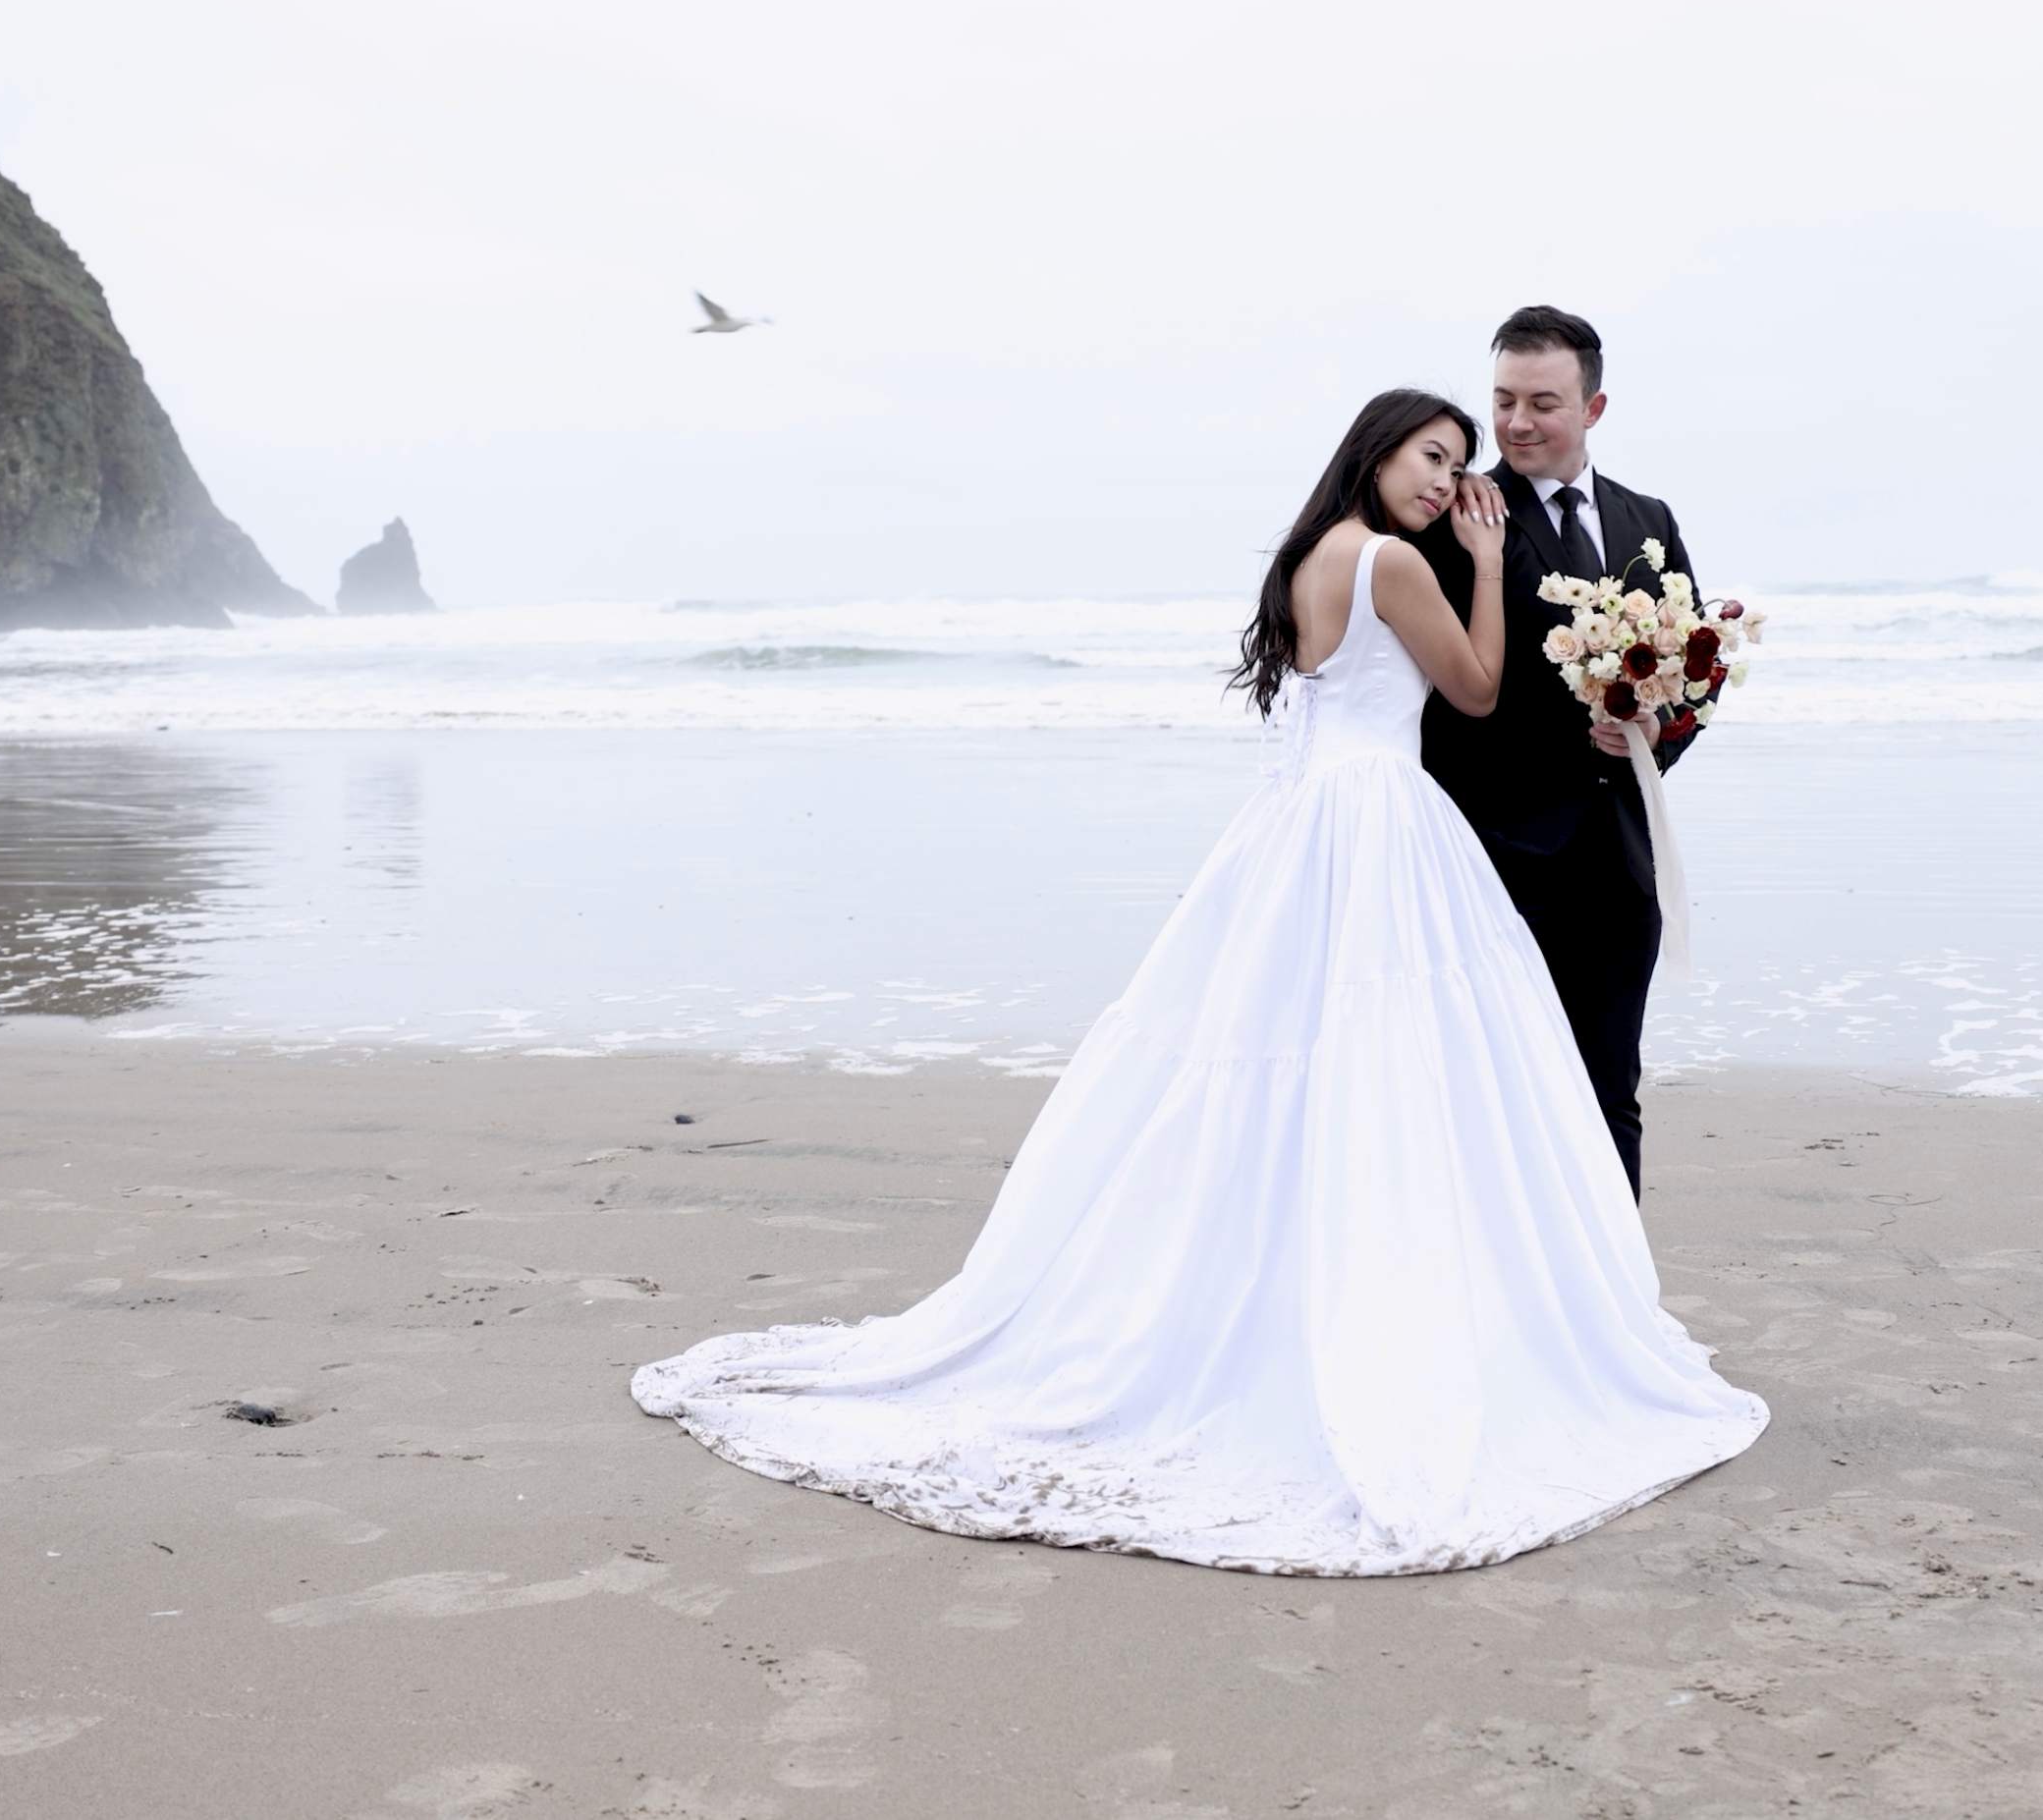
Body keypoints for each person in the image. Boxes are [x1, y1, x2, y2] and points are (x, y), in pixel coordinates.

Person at [630, 388, 1766, 1576]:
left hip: (1298, 825)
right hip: (1378, 823)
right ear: (1376, 452)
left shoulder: (1309, 555)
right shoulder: (1392, 563)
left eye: (1455, 466)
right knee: (1392, 1065)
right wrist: (1484, 562)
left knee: (1280, 1063)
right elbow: (1477, 688)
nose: (1445, 483)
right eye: (1432, 457)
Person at [1418, 306, 1705, 1201]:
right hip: (1497, 856)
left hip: (1619, 857)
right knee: (1497, 1092)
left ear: (1594, 407)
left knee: (1610, 1087)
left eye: (1542, 403)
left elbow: (1695, 669)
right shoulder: (1459, 515)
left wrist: (1653, 732)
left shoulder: (1648, 519)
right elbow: (1429, 688)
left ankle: (1615, 1277)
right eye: (1503, 400)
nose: (1516, 423)